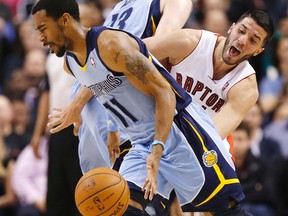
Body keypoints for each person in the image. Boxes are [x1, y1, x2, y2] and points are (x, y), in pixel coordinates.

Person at [32, 0, 250, 215]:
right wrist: (112, 129)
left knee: (224, 210)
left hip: (177, 132)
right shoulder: (71, 64)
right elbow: (108, 90)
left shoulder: (112, 45)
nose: (40, 38)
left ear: (65, 20)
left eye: (43, 29)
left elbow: (165, 92)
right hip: (141, 141)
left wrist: (157, 149)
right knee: (125, 206)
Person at [146, 10, 274, 150]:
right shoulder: (190, 42)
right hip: (156, 119)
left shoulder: (246, 88)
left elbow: (210, 138)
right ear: (231, 28)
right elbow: (131, 51)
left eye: (253, 40)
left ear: (258, 51)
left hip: (198, 142)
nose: (242, 41)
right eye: (241, 31)